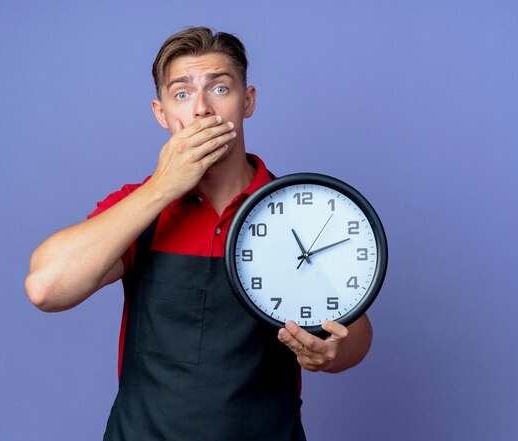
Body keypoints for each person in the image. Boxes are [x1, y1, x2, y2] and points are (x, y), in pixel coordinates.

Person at [26, 26, 373, 440]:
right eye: (183, 93)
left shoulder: (295, 210)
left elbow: (356, 329)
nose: (202, 110)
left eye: (220, 89)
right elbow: (46, 288)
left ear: (248, 101)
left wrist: (333, 353)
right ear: (161, 113)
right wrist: (163, 187)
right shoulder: (140, 208)